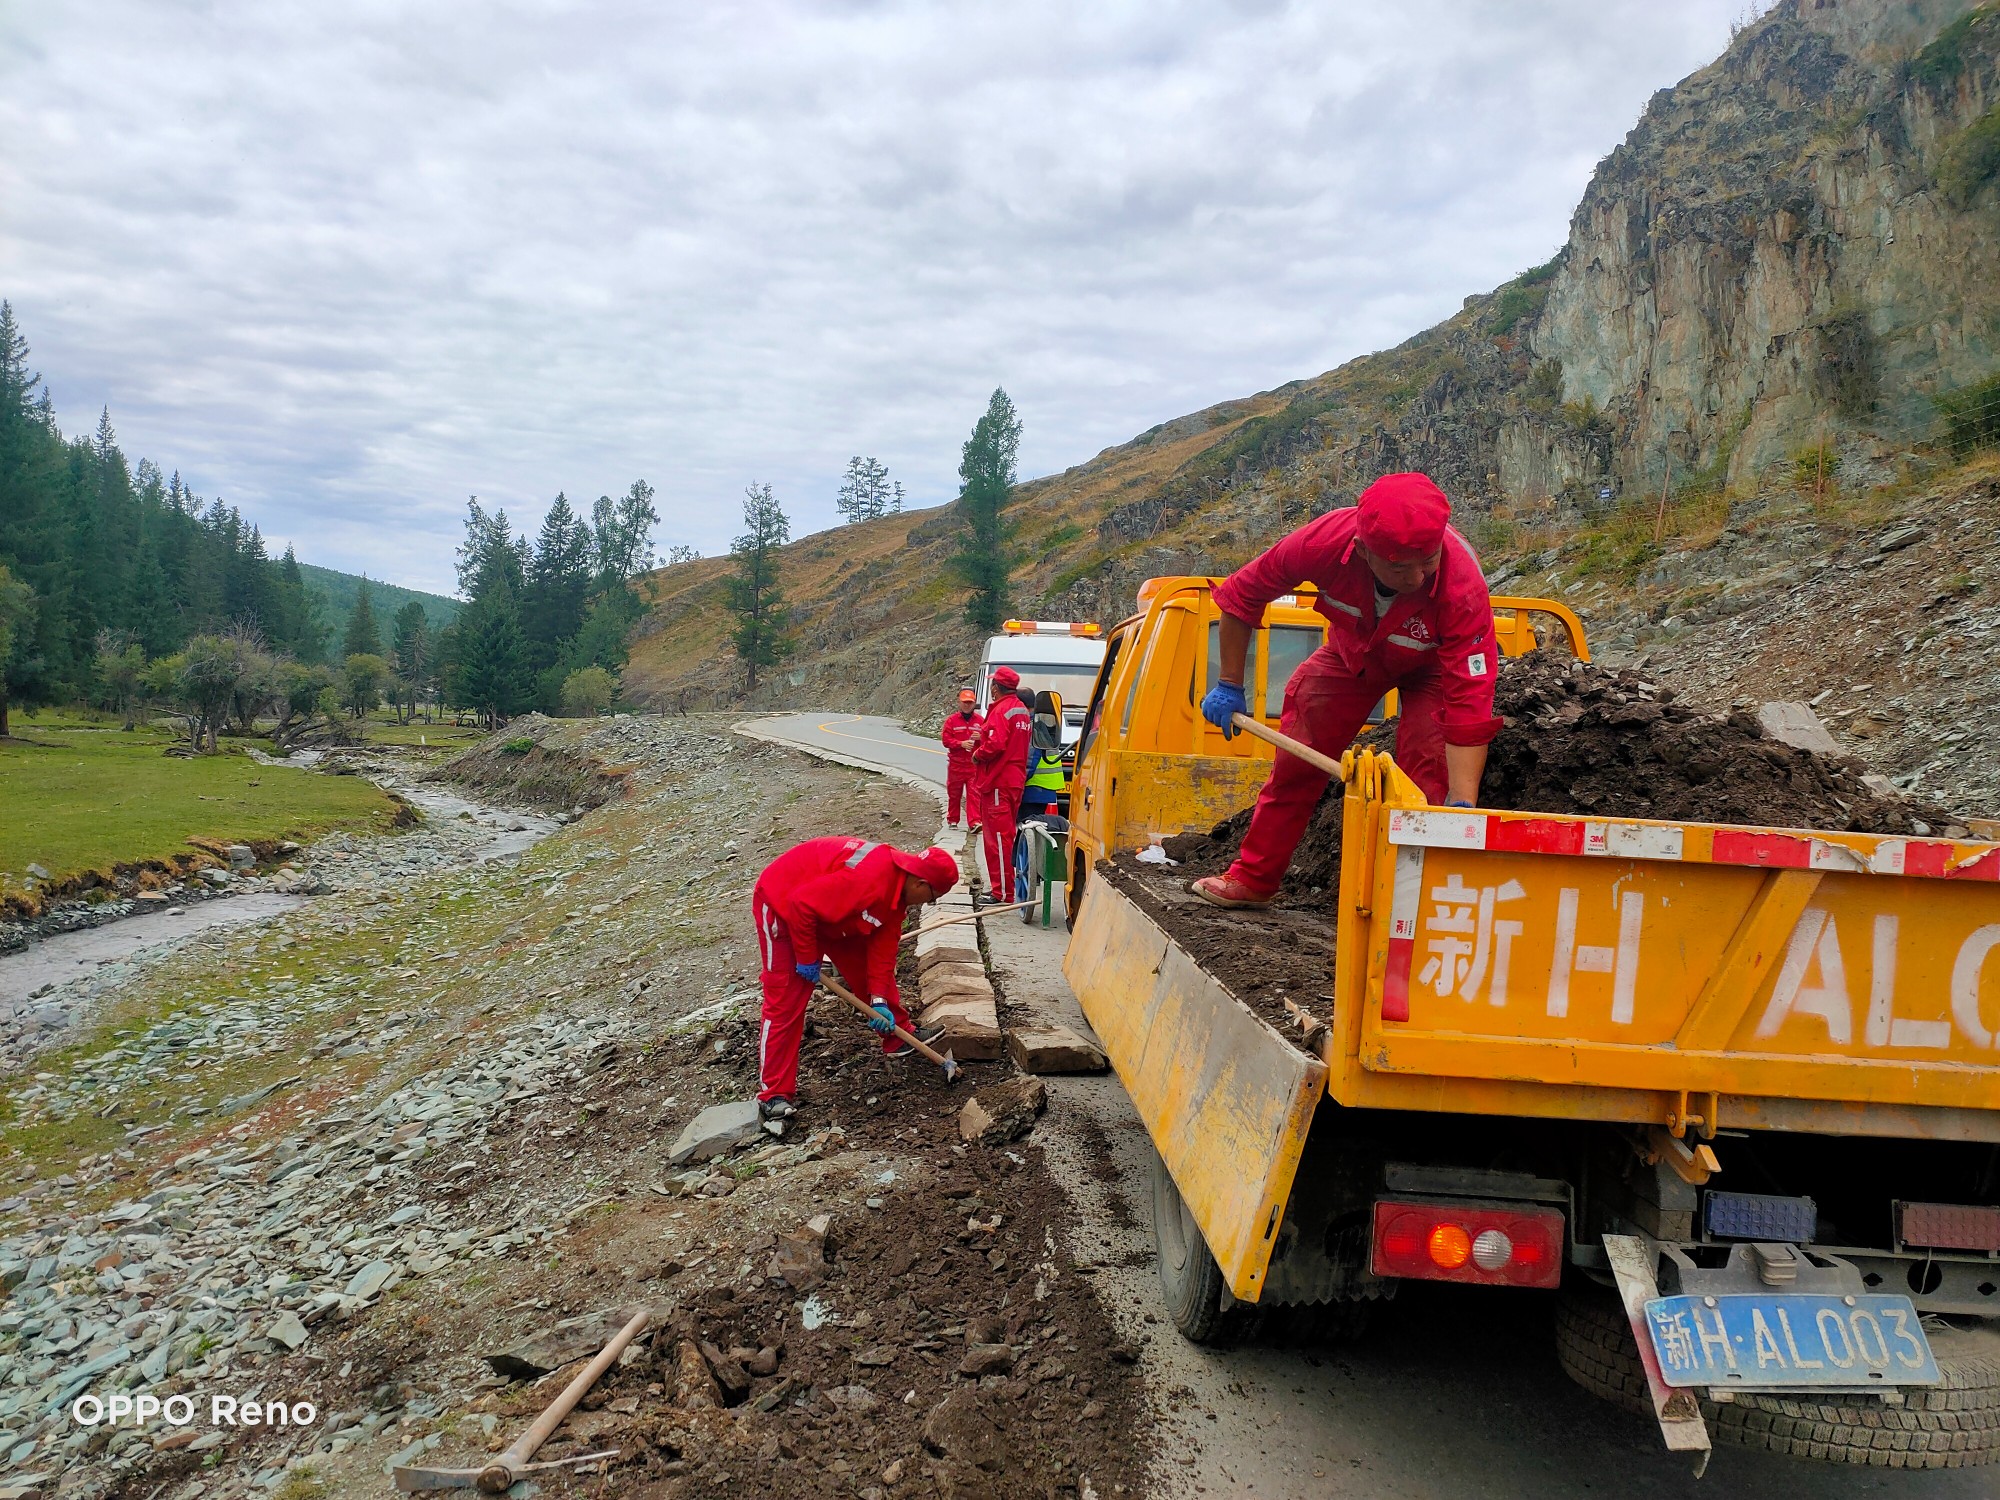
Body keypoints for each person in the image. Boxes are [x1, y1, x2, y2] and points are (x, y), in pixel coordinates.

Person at [1192, 471, 1501, 909]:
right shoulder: (1320, 544)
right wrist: (1229, 683)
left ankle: (1412, 905)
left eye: (1428, 560)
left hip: (1433, 671)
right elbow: (1242, 594)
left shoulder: (1462, 586)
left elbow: (1469, 696)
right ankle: (1254, 879)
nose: (1417, 578)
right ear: (1362, 551)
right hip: (1352, 655)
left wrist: (1462, 800)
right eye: (1399, 567)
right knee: (1298, 759)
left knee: (1423, 781)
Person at [752, 836, 960, 1120]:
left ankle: (897, 1037)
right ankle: (773, 1093)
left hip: (831, 912)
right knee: (786, 999)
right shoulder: (868, 880)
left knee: (865, 969)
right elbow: (801, 905)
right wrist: (806, 956)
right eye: (932, 898)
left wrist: (879, 1001)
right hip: (783, 905)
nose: (927, 903)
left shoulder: (896, 896)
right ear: (920, 884)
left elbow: (882, 954)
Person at [972, 666, 1033, 895]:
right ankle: (1005, 888)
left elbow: (995, 744)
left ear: (996, 688)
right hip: (1014, 780)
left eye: (992, 685)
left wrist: (978, 754)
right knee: (1006, 834)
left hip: (998, 780)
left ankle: (1002, 892)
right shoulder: (1021, 710)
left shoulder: (1001, 710)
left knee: (997, 838)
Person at [939, 688, 984, 830]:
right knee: (954, 793)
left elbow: (990, 741)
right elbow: (946, 740)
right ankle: (953, 819)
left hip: (973, 765)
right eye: (964, 702)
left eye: (970, 702)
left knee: (974, 794)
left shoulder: (981, 721)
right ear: (959, 703)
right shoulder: (951, 721)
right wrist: (960, 744)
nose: (967, 705)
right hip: (956, 765)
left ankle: (975, 822)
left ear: (974, 704)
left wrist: (982, 737)